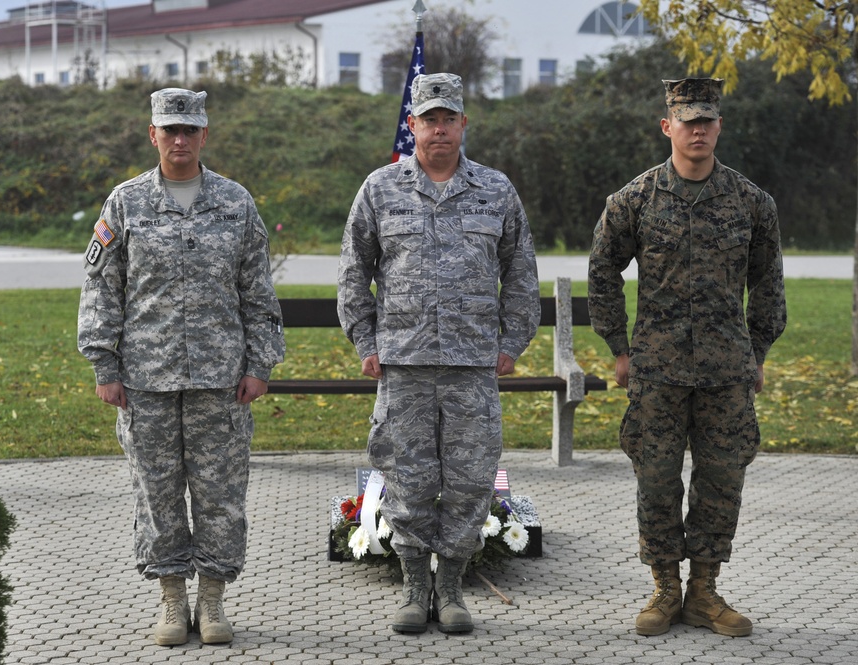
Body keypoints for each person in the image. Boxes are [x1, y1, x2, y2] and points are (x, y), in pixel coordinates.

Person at [77, 88, 285, 647]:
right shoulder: (125, 204)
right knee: (158, 493)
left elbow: (257, 293)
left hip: (222, 381)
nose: (179, 139)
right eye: (169, 129)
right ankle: (172, 599)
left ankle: (213, 600)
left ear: (204, 135)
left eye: (189, 129)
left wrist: (259, 361)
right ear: (152, 135)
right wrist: (104, 364)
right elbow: (102, 288)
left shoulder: (235, 202)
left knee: (221, 493)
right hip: (146, 380)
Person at [337, 73, 541, 634]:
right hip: (403, 364)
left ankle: (450, 590)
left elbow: (521, 273)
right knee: (407, 477)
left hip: (472, 364)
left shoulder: (495, 189)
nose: (439, 129)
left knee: (473, 478)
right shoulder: (380, 188)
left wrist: (510, 342)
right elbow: (354, 271)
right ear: (413, 125)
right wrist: (365, 339)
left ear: (463, 125)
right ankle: (412, 589)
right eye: (429, 119)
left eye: (449, 118)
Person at [588, 78, 787, 638]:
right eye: (687, 120)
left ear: (720, 127)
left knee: (722, 479)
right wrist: (619, 347)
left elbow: (768, 281)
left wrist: (760, 350)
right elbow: (602, 269)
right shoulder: (636, 199)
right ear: (667, 126)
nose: (698, 130)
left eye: (707, 121)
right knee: (656, 480)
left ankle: (705, 590)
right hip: (657, 368)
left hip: (727, 370)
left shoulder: (751, 202)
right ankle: (664, 589)